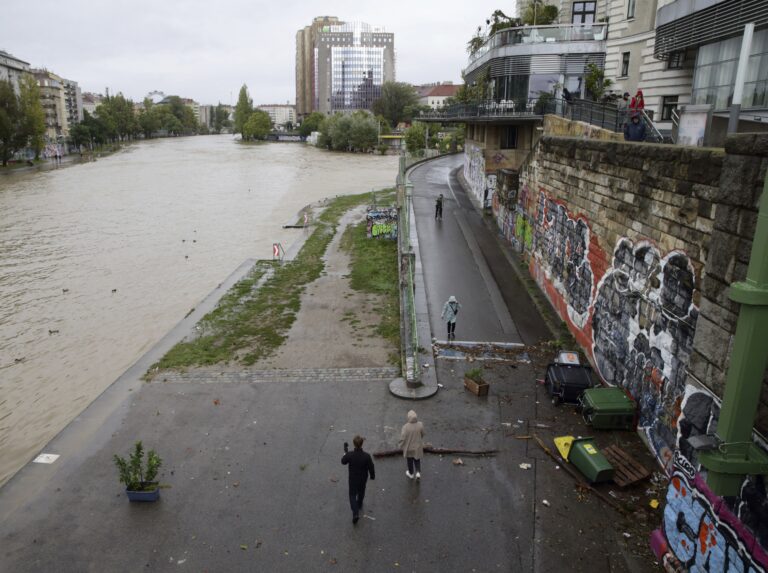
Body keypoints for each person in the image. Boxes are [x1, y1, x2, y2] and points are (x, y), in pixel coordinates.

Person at [341, 435, 375, 524]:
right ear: (362, 444)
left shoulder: (350, 455)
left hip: (353, 479)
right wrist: (372, 476)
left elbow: (343, 461)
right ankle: (359, 504)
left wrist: (345, 453)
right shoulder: (366, 456)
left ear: (354, 444)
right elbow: (371, 467)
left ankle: (355, 513)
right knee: (361, 492)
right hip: (363, 478)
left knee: (352, 495)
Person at [399, 410, 425, 480]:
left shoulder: (405, 427)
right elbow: (423, 434)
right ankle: (418, 472)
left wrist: (400, 445)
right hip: (417, 447)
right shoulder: (420, 424)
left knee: (409, 461)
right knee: (417, 459)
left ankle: (411, 474)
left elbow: (402, 438)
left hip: (408, 448)